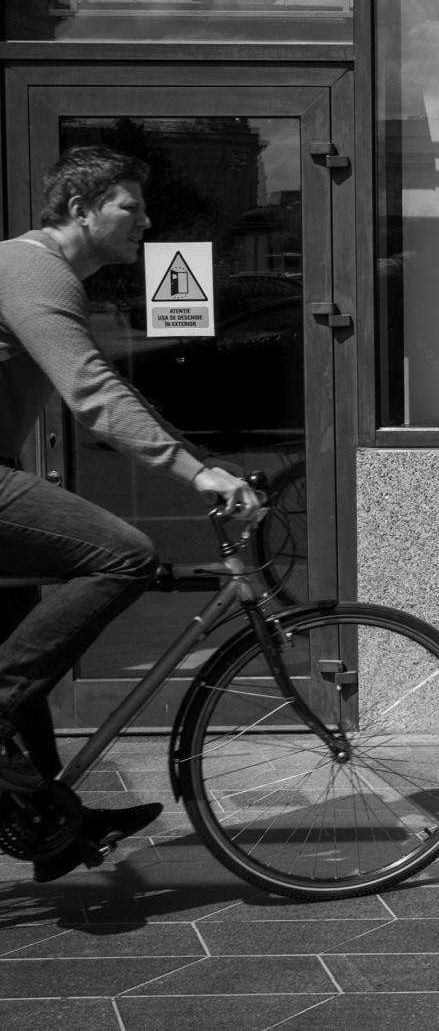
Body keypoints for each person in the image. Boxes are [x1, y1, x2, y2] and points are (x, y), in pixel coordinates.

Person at [0, 145, 258, 882]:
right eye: (129, 206)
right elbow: (93, 393)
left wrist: (195, 453)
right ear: (80, 208)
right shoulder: (34, 268)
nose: (145, 219)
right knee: (124, 553)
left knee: (20, 636)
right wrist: (195, 468)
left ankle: (47, 819)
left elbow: (103, 390)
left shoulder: (37, 272)